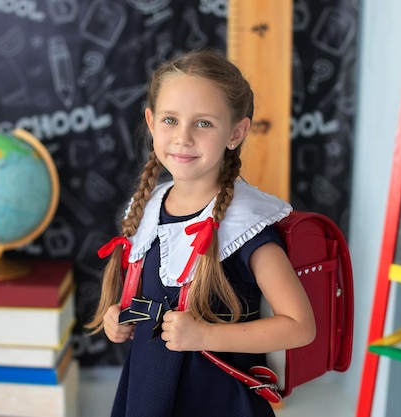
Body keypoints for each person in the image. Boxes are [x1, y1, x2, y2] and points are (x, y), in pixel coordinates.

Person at [87, 49, 316, 417]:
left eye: (204, 123)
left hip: (219, 400)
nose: (183, 138)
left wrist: (205, 336)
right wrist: (123, 317)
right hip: (149, 389)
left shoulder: (247, 226)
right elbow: (157, 293)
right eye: (170, 120)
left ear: (236, 132)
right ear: (150, 122)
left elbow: (300, 327)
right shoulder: (149, 208)